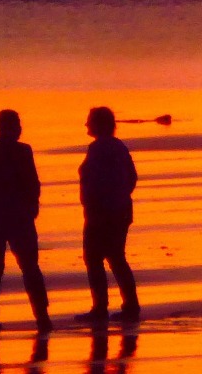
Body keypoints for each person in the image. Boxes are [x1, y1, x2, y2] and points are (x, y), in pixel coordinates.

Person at [0, 109, 51, 333]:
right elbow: (33, 183)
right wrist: (31, 208)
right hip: (13, 218)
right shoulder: (19, 152)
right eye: (17, 124)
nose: (20, 128)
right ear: (8, 127)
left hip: (0, 219)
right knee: (27, 268)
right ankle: (41, 316)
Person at [79, 105, 140, 323]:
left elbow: (97, 182)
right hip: (119, 211)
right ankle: (129, 305)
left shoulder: (99, 149)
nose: (86, 124)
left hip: (102, 214)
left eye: (89, 120)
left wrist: (101, 204)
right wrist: (120, 198)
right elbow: (132, 177)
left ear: (98, 124)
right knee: (116, 258)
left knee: (95, 259)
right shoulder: (118, 147)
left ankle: (101, 308)